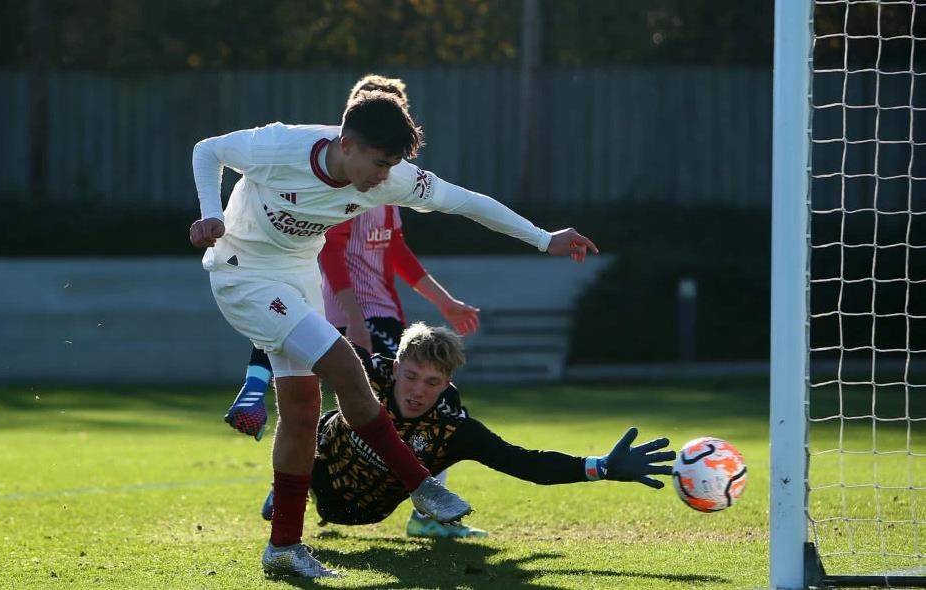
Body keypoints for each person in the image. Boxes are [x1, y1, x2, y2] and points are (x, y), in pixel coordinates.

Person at [189, 90, 597, 578]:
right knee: (343, 364)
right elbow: (207, 149)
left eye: (392, 167)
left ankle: (283, 549)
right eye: (379, 164)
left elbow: (463, 201)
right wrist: (210, 211)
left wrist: (544, 238)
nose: (385, 178)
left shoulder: (388, 177)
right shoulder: (280, 146)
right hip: (243, 273)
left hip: (296, 273)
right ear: (347, 144)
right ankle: (420, 484)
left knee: (301, 410)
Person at [224, 74, 484, 540]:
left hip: (380, 308)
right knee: (392, 394)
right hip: (349, 308)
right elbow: (327, 251)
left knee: (340, 400)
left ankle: (290, 516)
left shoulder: (389, 186)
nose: (392, 162)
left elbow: (398, 254)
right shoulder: (346, 184)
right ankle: (421, 496)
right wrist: (353, 316)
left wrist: (443, 301)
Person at [258, 322, 674, 535]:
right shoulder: (367, 370)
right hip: (319, 471)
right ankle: (288, 486)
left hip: (363, 513)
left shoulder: (454, 429)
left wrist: (599, 467)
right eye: (412, 376)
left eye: (433, 383)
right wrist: (254, 384)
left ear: (447, 385)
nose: (418, 391)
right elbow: (290, 330)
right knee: (322, 414)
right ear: (397, 366)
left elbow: (524, 463)